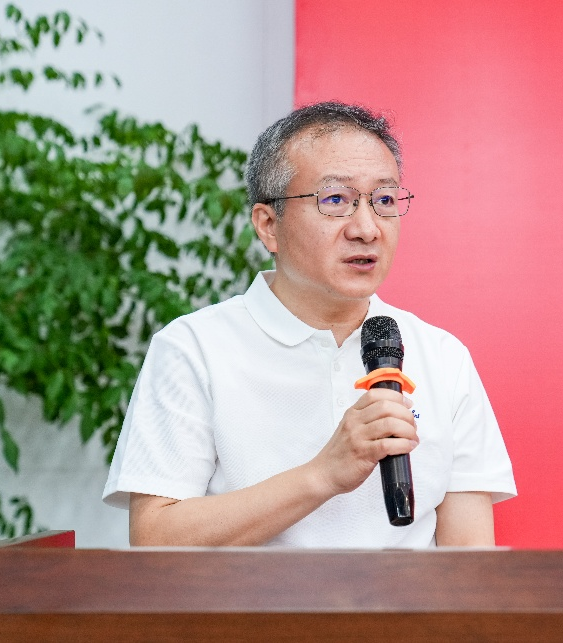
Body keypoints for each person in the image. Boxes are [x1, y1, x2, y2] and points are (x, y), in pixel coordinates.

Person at [103, 102, 516, 547]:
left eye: (384, 200)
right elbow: (154, 537)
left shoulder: (442, 356)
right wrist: (323, 474)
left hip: (407, 596)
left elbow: (470, 558)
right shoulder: (193, 348)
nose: (367, 228)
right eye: (335, 200)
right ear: (268, 225)